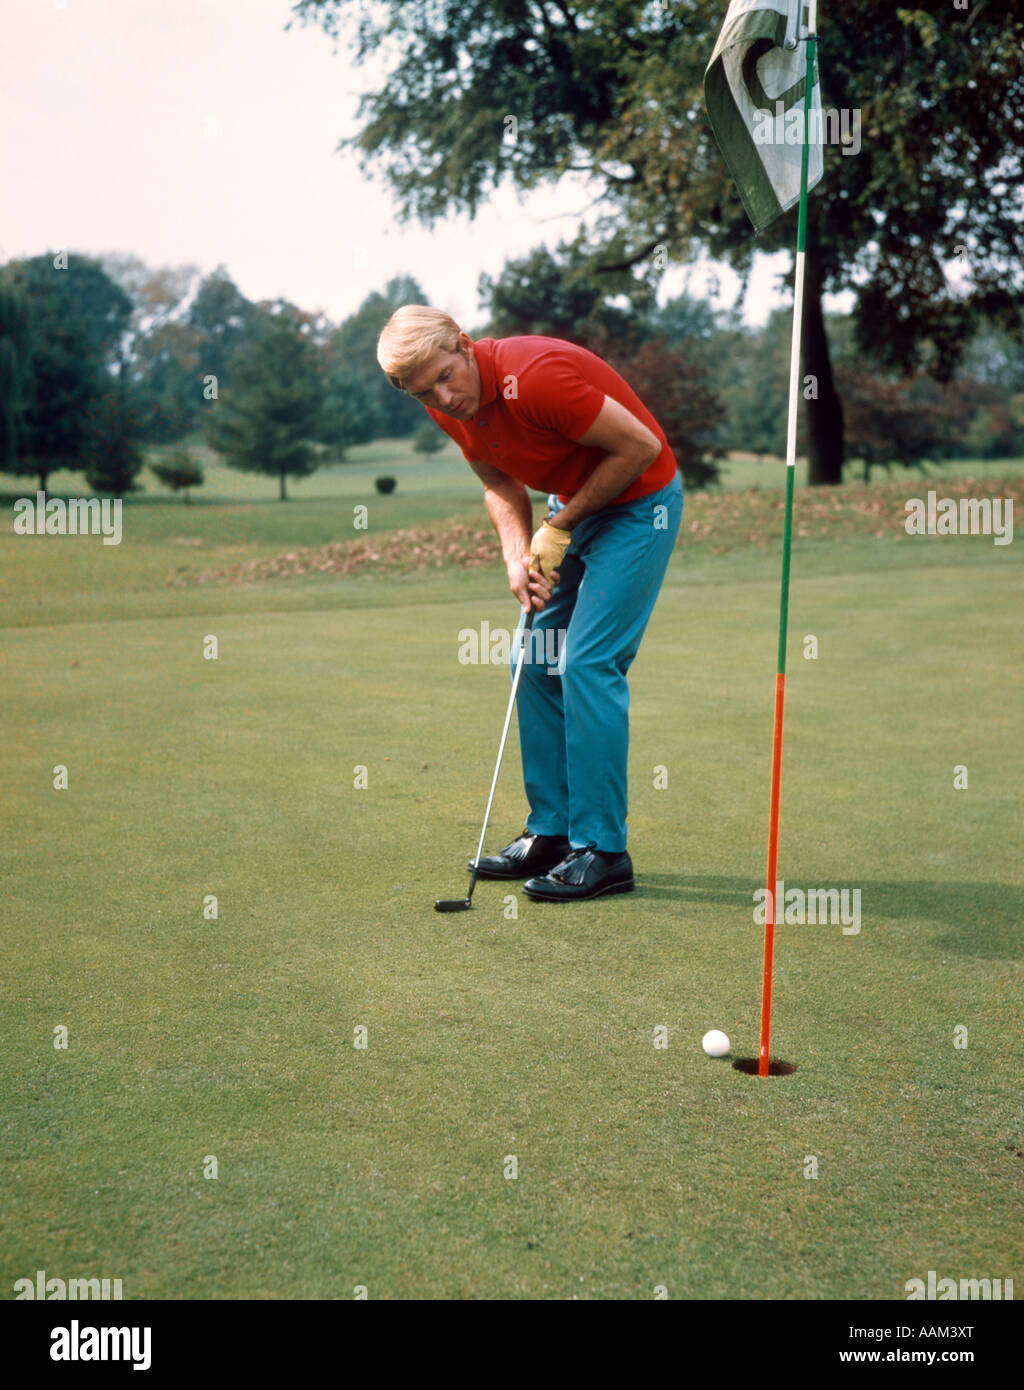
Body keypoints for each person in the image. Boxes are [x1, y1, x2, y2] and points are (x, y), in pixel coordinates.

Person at [376, 306, 683, 901]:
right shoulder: (448, 411)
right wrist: (518, 553)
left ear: (463, 345)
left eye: (445, 376)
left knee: (587, 663)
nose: (443, 397)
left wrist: (560, 525)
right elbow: (499, 482)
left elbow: (640, 448)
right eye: (424, 394)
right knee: (533, 658)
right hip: (571, 510)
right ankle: (552, 832)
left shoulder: (535, 375)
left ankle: (603, 850)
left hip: (641, 504)